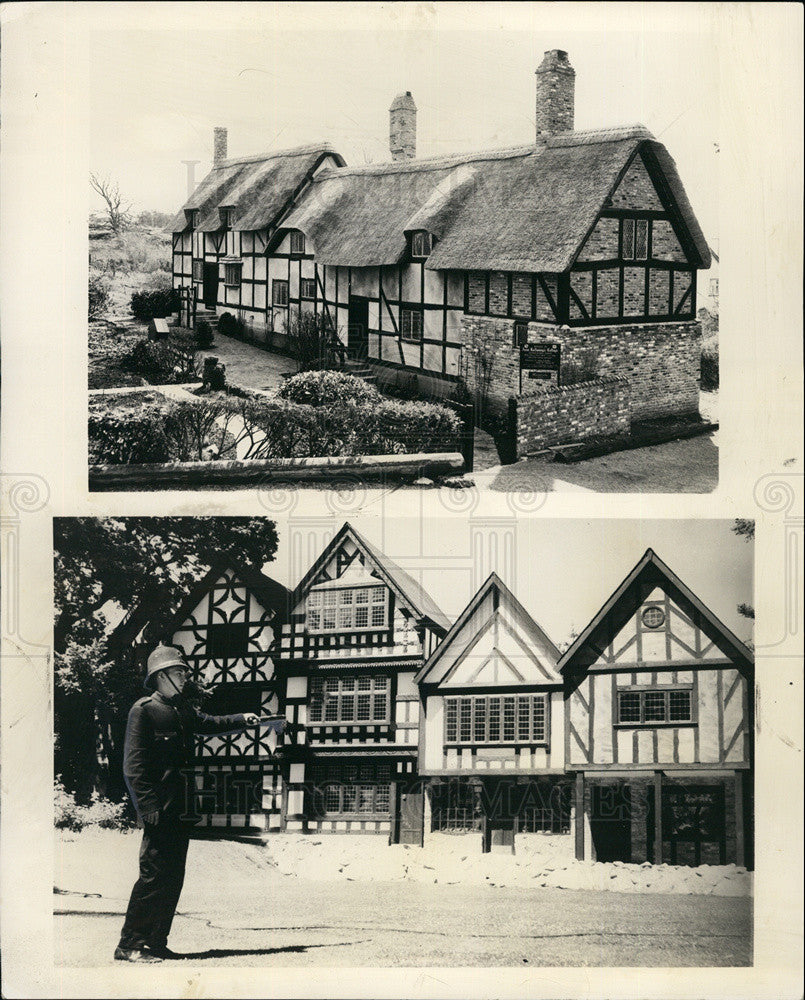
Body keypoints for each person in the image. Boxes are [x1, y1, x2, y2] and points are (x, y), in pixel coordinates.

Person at [114, 644, 261, 963]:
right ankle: (129, 944)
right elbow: (133, 766)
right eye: (179, 671)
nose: (184, 676)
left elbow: (209, 723)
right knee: (153, 875)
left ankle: (156, 941)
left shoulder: (181, 711)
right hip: (158, 810)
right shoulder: (144, 710)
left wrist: (241, 719)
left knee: (173, 877)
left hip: (181, 808)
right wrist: (146, 806)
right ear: (161, 675)